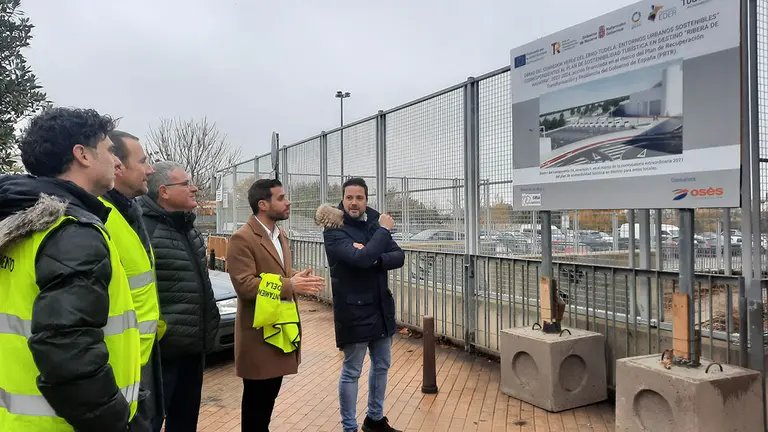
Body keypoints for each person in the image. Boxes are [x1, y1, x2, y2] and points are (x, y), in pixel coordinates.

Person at [0, 107, 144, 431]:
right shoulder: (71, 231)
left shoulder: (16, 220)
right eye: (109, 150)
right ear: (83, 155)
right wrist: (112, 421)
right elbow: (67, 349)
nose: (117, 162)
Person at [226, 178, 325, 431]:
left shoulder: (279, 235)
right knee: (256, 409)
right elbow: (246, 285)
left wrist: (295, 277)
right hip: (258, 337)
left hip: (278, 332)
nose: (288, 202)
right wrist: (290, 285)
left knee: (266, 405)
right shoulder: (242, 238)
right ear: (263, 204)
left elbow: (274, 272)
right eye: (281, 198)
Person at [316, 177, 404, 432]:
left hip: (380, 306)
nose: (354, 203)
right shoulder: (334, 228)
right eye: (349, 198)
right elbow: (359, 258)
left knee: (382, 365)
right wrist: (381, 236)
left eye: (360, 198)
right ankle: (349, 427)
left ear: (366, 199)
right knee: (352, 370)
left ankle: (374, 419)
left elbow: (398, 256)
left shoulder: (374, 222)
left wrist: (373, 257)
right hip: (353, 309)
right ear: (342, 200)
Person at [138, 161, 220, 432]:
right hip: (162, 355)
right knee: (149, 424)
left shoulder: (189, 228)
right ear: (163, 191)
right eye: (185, 184)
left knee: (185, 424)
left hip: (193, 350)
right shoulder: (144, 230)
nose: (194, 188)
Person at [99, 130, 165, 429]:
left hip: (142, 356)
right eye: (143, 161)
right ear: (118, 165)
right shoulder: (99, 217)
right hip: (118, 367)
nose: (150, 169)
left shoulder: (130, 212)